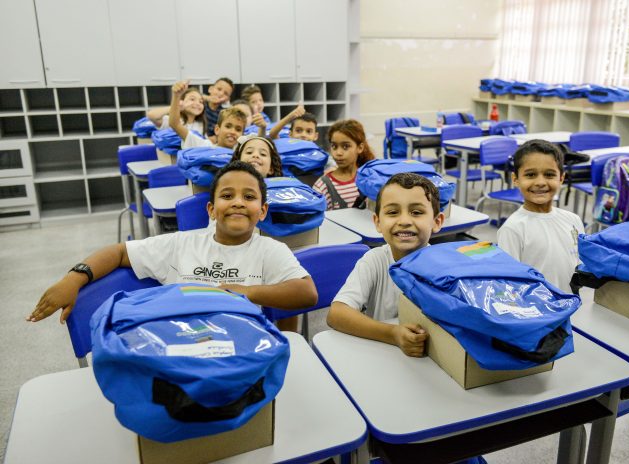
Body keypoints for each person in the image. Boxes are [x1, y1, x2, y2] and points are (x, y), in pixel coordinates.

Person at [27, 161, 318, 324]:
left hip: (241, 351)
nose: (238, 203)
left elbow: (306, 293)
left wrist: (246, 291)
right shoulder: (181, 244)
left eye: (250, 197)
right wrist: (75, 277)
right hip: (179, 345)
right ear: (211, 210)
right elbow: (118, 252)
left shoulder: (269, 250)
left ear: (263, 211)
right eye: (227, 196)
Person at [327, 173, 445, 356]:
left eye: (416, 212)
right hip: (382, 352)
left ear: (437, 222)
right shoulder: (374, 261)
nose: (404, 221)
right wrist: (393, 334)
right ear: (378, 222)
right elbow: (337, 314)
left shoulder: (446, 268)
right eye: (392, 212)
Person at [497, 139, 585, 293]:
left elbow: (580, 266)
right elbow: (509, 283)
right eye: (530, 175)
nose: (540, 182)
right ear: (515, 179)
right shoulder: (513, 228)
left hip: (571, 305)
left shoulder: (573, 220)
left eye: (549, 175)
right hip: (537, 311)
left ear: (561, 178)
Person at [312, 119, 375, 209]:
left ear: (360, 148)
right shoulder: (322, 186)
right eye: (334, 146)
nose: (338, 152)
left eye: (345, 146)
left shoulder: (370, 179)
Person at [203, 77, 234, 142]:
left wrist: (216, 138)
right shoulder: (200, 104)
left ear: (227, 99)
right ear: (210, 89)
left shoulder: (224, 113)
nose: (221, 94)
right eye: (219, 89)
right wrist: (208, 98)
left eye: (226, 93)